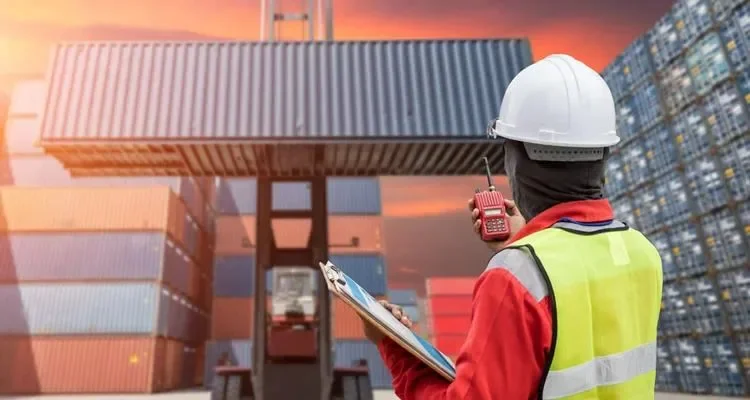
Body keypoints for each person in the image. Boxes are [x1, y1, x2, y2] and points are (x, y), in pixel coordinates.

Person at [361, 54, 663, 399]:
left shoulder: (515, 278)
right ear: (605, 153)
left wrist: (393, 346)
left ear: (515, 160)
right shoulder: (642, 253)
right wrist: (531, 237)